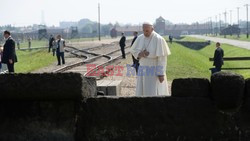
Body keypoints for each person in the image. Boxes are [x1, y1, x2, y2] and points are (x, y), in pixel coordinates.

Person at [130, 22, 171, 96]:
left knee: (154, 91)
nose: (145, 33)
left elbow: (162, 59)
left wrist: (161, 74)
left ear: (152, 29)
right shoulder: (140, 38)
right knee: (142, 91)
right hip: (143, 67)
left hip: (154, 69)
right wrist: (140, 54)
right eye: (143, 30)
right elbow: (133, 50)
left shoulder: (159, 39)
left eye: (147, 31)